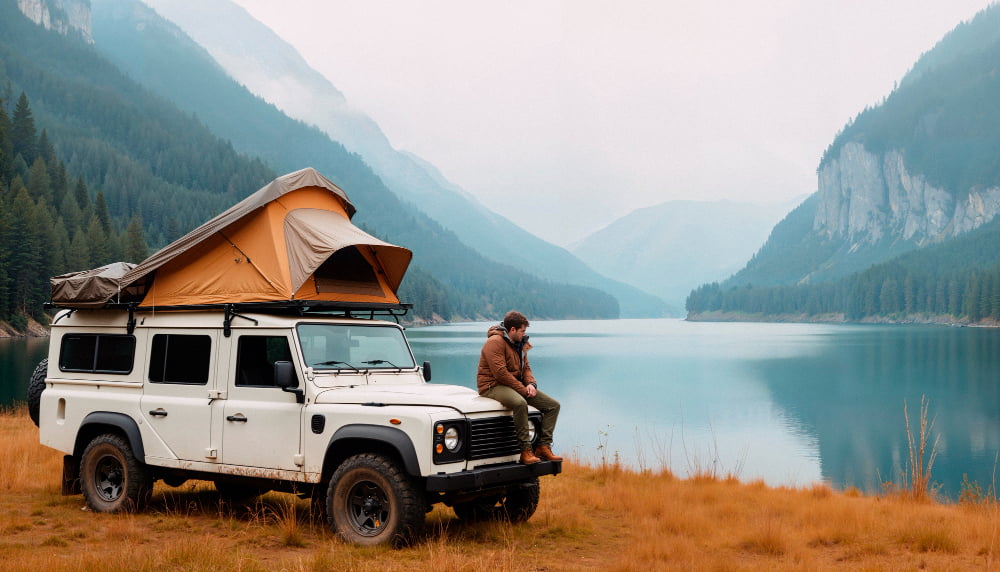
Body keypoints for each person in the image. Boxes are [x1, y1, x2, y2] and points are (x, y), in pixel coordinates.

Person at [477, 311, 562, 464]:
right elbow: (500, 374)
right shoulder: (495, 342)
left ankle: (543, 446)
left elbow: (526, 368)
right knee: (520, 403)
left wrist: (530, 384)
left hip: (514, 385)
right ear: (512, 330)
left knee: (553, 406)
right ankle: (525, 451)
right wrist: (523, 391)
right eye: (522, 331)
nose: (524, 334)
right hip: (492, 385)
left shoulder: (520, 343)